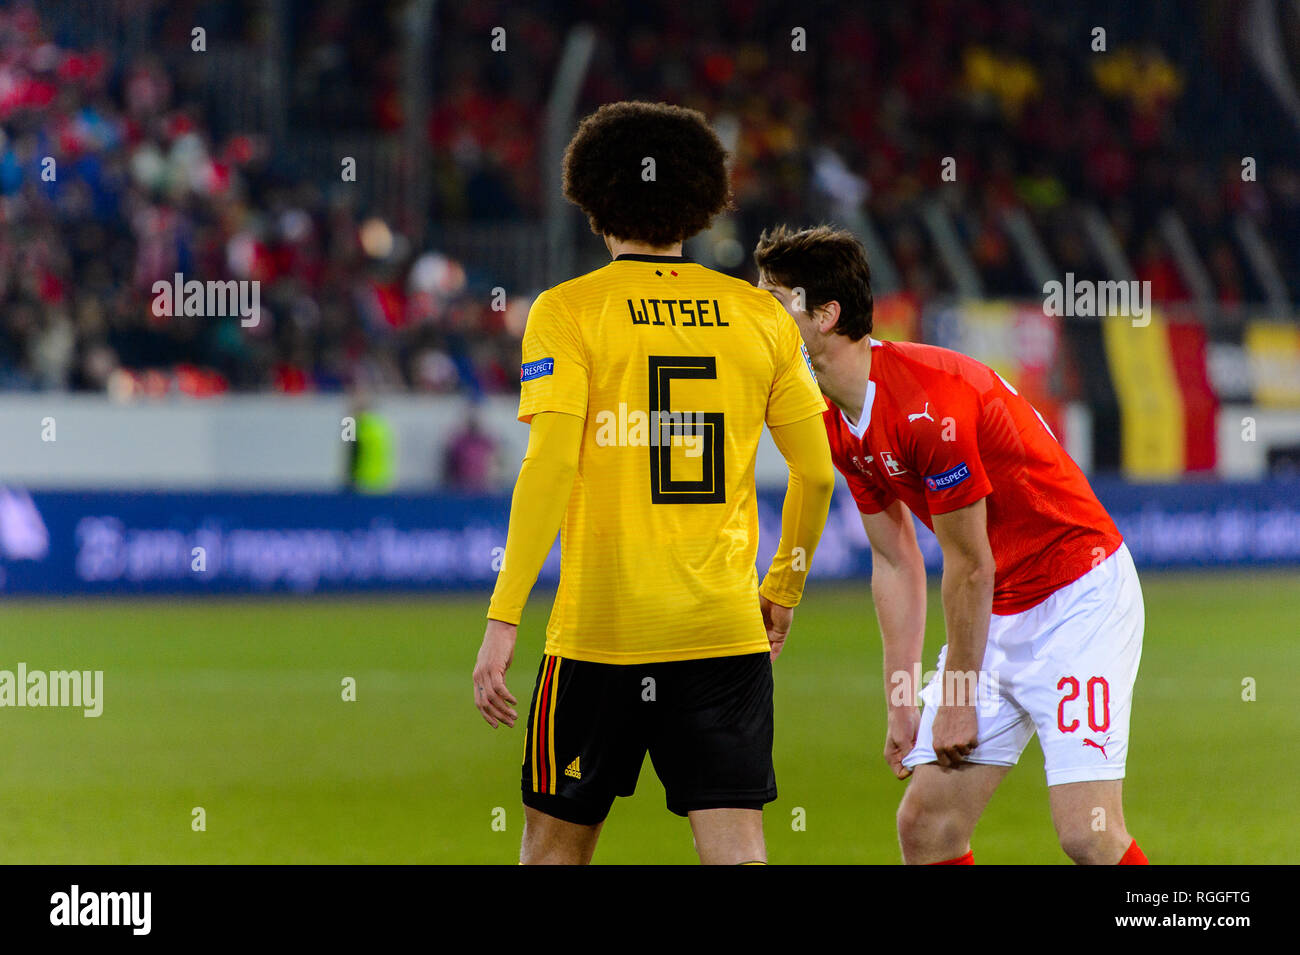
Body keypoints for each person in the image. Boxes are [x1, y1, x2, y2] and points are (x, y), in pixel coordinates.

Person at [472, 103, 835, 865]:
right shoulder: (760, 316)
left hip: (600, 636)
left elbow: (550, 465)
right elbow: (816, 470)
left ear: (595, 202)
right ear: (700, 205)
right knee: (739, 855)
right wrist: (785, 587)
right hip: (722, 633)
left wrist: (504, 614)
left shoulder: (568, 312)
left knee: (552, 855)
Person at [754, 225, 1148, 865]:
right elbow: (895, 559)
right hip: (997, 606)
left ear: (825, 316)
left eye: (774, 301)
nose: (758, 314)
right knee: (927, 825)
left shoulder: (927, 405)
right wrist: (903, 700)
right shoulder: (832, 418)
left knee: (1089, 833)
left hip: (1078, 598)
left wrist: (957, 701)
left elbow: (967, 566)